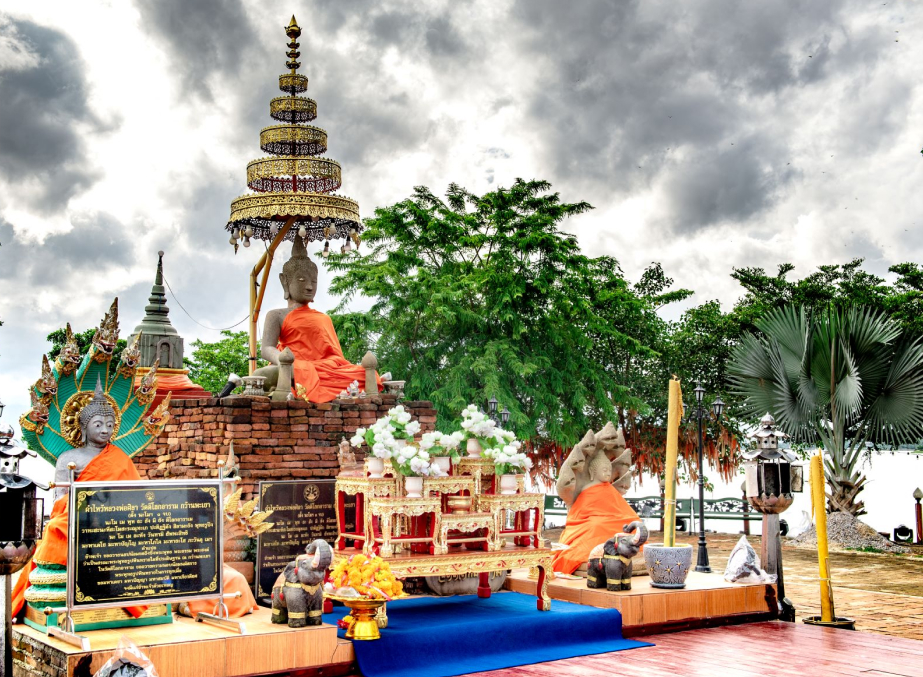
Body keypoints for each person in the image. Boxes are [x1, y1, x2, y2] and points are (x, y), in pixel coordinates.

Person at [13, 380, 145, 619]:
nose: (105, 430)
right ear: (84, 427)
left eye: (109, 424)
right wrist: (85, 509)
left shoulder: (119, 457)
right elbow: (60, 498)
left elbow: (133, 494)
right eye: (98, 424)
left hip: (114, 516)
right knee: (55, 527)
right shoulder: (68, 457)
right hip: (76, 515)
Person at [253, 236, 382, 402]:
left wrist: (324, 367)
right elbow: (266, 349)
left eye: (313, 281)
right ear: (285, 282)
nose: (309, 286)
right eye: (301, 280)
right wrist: (286, 362)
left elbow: (336, 358)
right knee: (263, 375)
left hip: (327, 368)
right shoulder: (276, 315)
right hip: (292, 366)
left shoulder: (323, 318)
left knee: (364, 373)